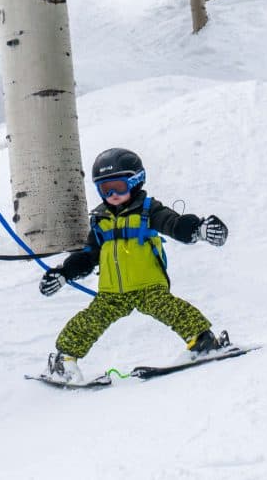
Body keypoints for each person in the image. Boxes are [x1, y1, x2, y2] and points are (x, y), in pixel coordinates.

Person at [37, 148, 229, 383]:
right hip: (112, 292)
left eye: (119, 187)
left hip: (148, 285)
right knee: (89, 321)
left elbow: (174, 224)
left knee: (171, 309)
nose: (112, 194)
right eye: (105, 189)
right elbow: (89, 255)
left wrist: (198, 229)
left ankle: (203, 341)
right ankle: (63, 360)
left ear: (136, 182)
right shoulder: (100, 220)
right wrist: (64, 273)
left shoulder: (149, 210)